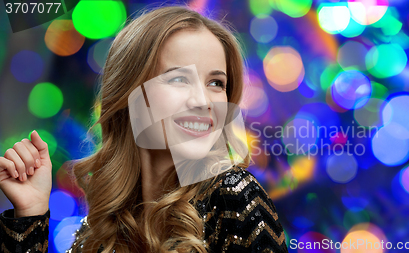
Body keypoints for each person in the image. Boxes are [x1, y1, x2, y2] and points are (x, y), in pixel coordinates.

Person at [0, 4, 288, 253]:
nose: (202, 101)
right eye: (178, 79)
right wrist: (30, 215)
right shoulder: (99, 228)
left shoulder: (234, 195)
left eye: (216, 83)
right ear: (130, 94)